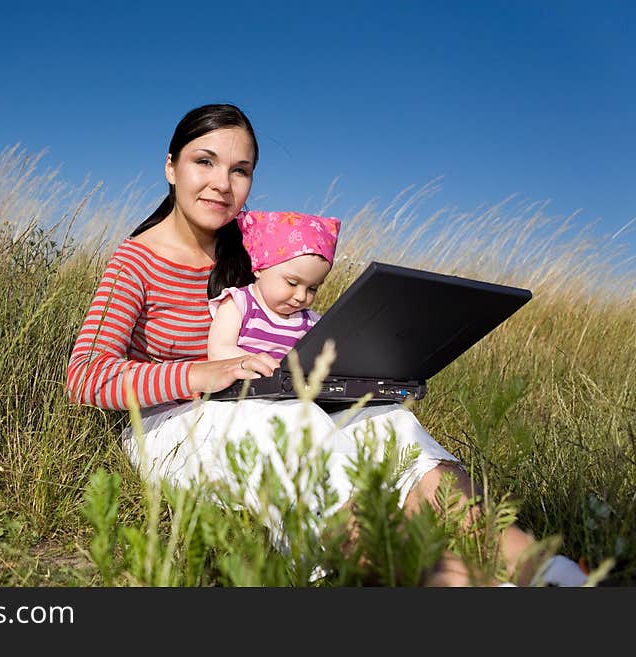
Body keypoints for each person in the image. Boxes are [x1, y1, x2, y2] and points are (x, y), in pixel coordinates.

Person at [65, 102, 588, 587]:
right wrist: (203, 372)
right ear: (171, 167)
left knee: (390, 421)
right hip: (173, 420)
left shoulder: (255, 255)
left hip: (266, 399)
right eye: (205, 162)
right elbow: (85, 375)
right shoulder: (135, 259)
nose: (222, 184)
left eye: (240, 170)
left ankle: (546, 570)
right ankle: (445, 578)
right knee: (294, 426)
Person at [206, 209, 340, 362]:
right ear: (260, 268)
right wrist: (264, 364)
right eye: (292, 283)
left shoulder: (311, 322)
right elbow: (219, 351)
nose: (301, 296)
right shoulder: (239, 303)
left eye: (312, 288)